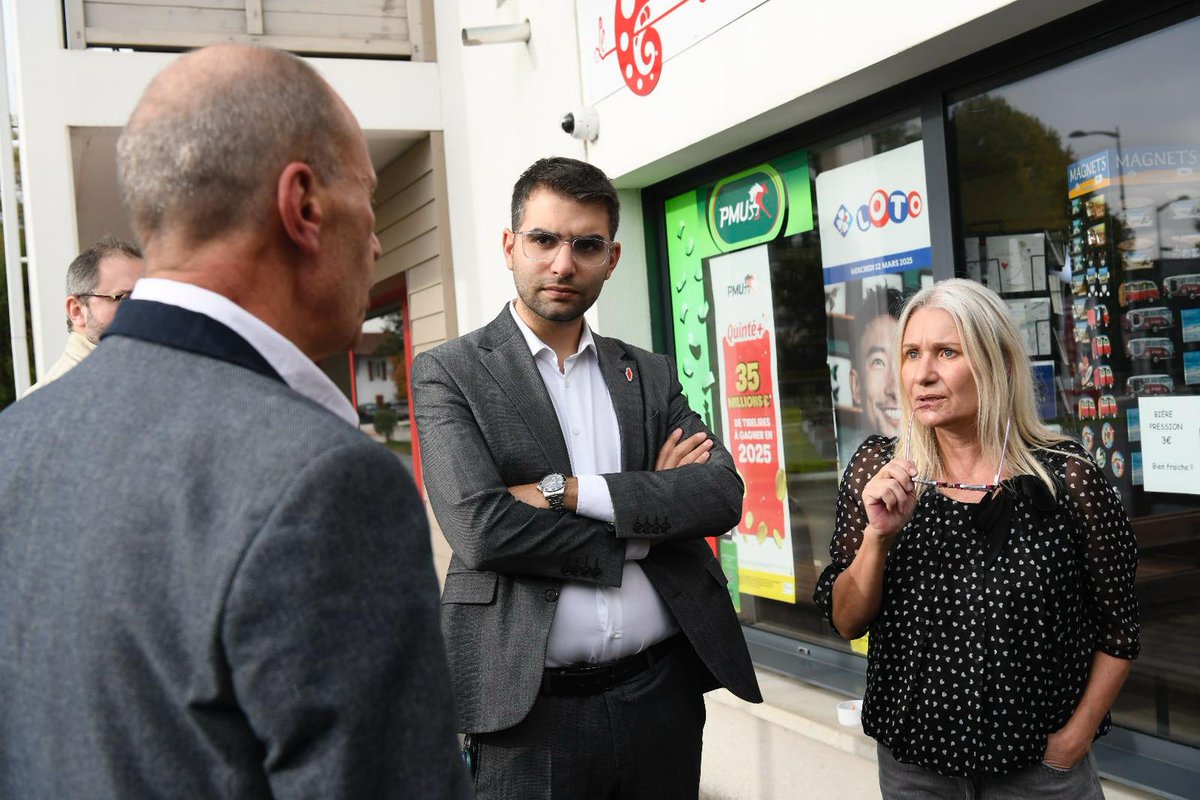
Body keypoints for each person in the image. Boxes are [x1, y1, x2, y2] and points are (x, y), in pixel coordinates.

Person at [0, 45, 469, 799]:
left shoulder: (15, 442)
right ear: (304, 206)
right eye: (371, 199)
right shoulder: (326, 484)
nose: (378, 238)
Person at [411, 156, 761, 799]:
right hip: (529, 712)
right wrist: (642, 525)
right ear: (510, 245)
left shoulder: (648, 374)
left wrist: (566, 491)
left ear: (613, 256)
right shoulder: (450, 373)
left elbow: (719, 493)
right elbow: (482, 530)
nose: (563, 263)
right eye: (544, 240)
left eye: (586, 244)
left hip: (661, 696)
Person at [814, 278, 1139, 798]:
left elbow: (1119, 627)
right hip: (916, 770)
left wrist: (1072, 741)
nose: (922, 374)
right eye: (911, 354)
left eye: (947, 352)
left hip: (1038, 771)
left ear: (999, 363)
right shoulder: (882, 470)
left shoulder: (1066, 479)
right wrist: (879, 535)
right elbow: (847, 618)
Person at [23, 236, 143, 395]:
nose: (143, 311)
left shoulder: (150, 379)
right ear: (77, 311)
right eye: (125, 299)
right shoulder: (45, 403)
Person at [850, 284, 903, 439]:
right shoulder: (852, 462)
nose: (894, 389)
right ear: (856, 385)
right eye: (878, 362)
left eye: (904, 359)